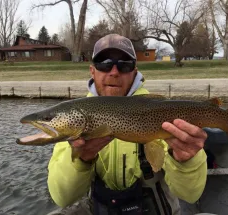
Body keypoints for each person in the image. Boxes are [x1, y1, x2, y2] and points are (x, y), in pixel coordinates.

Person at [47, 34, 208, 215]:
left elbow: (190, 195)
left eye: (124, 64)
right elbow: (63, 198)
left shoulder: (162, 113)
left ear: (135, 71)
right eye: (105, 63)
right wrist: (81, 159)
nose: (114, 72)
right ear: (92, 71)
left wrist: (187, 160)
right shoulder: (77, 117)